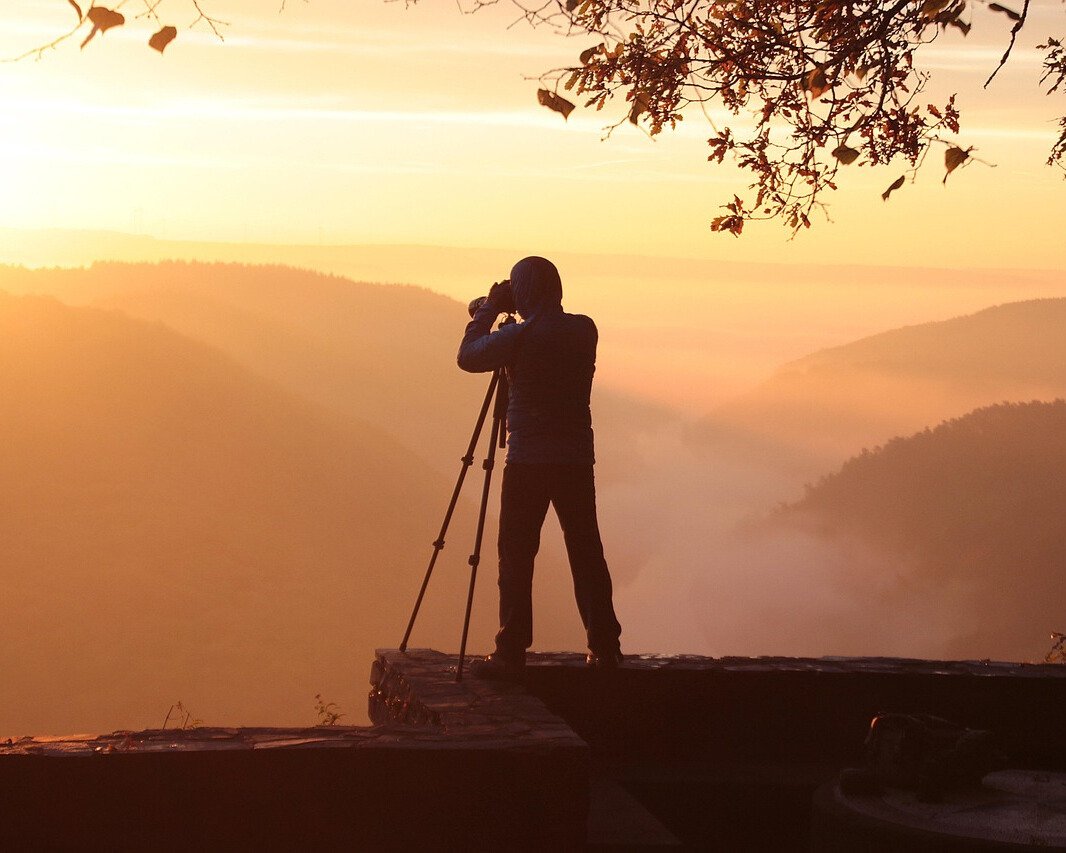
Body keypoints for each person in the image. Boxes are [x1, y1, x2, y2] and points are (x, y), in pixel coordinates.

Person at [457, 255, 623, 679]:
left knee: (516, 555)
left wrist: (489, 309)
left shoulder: (519, 335)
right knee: (586, 551)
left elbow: (468, 357)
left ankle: (510, 650)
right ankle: (605, 647)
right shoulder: (584, 329)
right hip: (574, 459)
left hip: (528, 460)